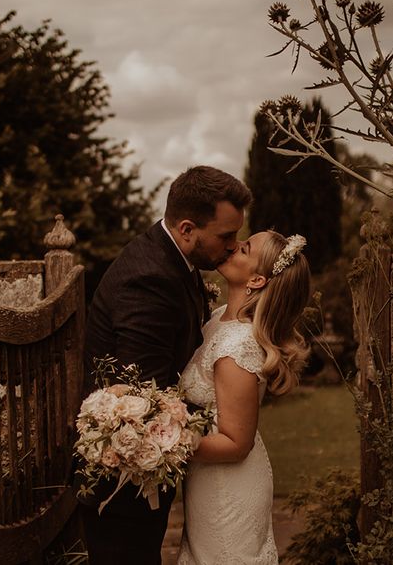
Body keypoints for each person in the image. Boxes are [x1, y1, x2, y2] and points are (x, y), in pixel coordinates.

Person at [77, 165, 252, 565]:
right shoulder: (149, 280)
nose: (233, 245)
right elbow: (144, 394)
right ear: (187, 229)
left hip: (142, 479)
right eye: (226, 236)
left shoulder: (177, 262)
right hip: (122, 485)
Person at [176, 230, 311, 565]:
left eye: (245, 248)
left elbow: (237, 443)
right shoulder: (220, 318)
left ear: (256, 279)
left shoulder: (238, 346)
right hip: (210, 480)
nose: (234, 246)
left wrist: (169, 444)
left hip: (227, 486)